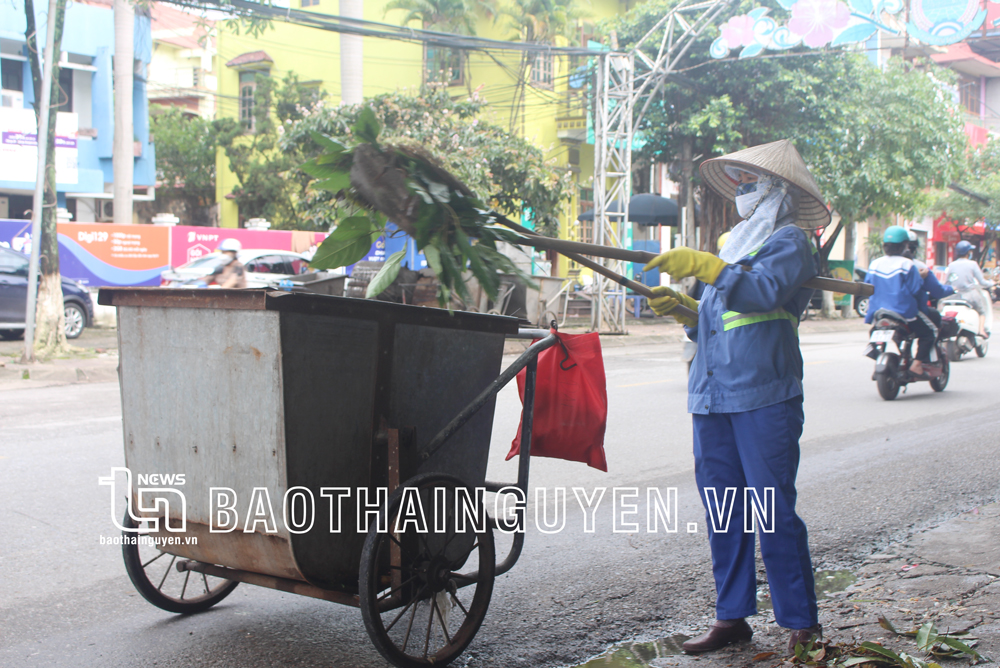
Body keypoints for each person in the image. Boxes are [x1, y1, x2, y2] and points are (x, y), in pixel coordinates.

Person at [642, 140, 825, 655]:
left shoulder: (792, 241)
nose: (743, 188)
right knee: (724, 510)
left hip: (764, 392)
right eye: (739, 180)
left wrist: (705, 266)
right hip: (711, 394)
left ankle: (801, 621)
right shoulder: (732, 243)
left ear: (779, 188)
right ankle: (732, 616)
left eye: (752, 181)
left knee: (772, 511)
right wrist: (683, 308)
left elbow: (763, 293)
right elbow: (711, 320)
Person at [864, 227, 934, 376]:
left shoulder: (874, 264)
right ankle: (916, 365)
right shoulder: (907, 265)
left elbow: (867, 287)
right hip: (903, 312)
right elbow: (915, 290)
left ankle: (875, 351)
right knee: (929, 333)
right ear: (905, 245)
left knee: (874, 331)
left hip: (879, 312)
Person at [903, 231, 952, 327]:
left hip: (883, 310)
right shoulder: (919, 267)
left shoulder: (878, 265)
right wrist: (951, 289)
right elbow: (937, 290)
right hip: (911, 311)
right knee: (931, 330)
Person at [946, 241, 992, 338]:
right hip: (970, 295)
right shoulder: (973, 264)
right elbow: (982, 282)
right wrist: (992, 283)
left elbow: (947, 282)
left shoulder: (951, 265)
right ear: (968, 253)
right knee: (982, 311)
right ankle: (981, 330)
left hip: (955, 295)